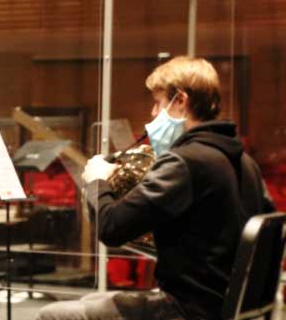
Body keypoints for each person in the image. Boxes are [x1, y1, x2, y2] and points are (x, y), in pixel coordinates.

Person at [36, 56, 275, 320]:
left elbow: (111, 229)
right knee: (92, 298)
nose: (152, 113)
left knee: (53, 314)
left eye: (158, 102)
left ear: (181, 101)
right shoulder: (246, 162)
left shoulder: (185, 161)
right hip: (225, 306)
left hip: (186, 309)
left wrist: (97, 180)